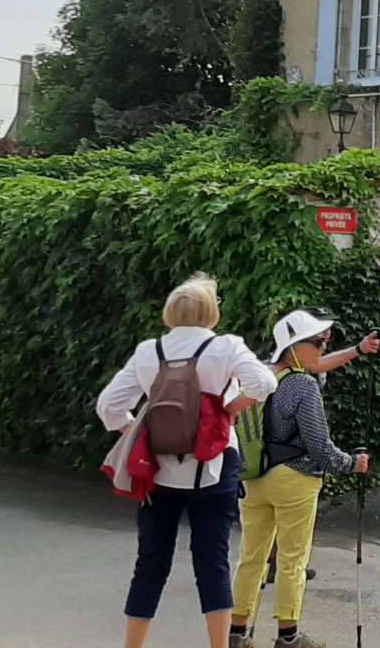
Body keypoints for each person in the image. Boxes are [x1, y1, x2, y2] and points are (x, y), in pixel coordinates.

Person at [96, 273, 280, 648]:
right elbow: (264, 383)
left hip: (158, 474)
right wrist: (231, 409)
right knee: (212, 562)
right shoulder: (225, 347)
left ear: (170, 312)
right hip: (213, 470)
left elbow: (109, 407)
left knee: (150, 563)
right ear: (212, 313)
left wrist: (138, 432)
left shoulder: (149, 352)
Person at [229, 310, 380, 648]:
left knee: (251, 558)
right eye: (319, 342)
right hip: (294, 481)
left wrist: (357, 350)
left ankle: (237, 634)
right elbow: (320, 447)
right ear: (295, 347)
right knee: (292, 561)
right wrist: (352, 464)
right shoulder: (302, 386)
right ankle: (289, 637)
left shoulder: (259, 375)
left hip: (253, 478)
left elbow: (318, 365)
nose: (324, 347)